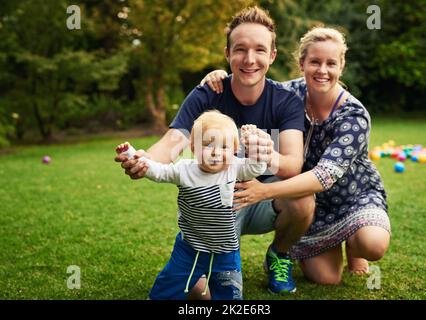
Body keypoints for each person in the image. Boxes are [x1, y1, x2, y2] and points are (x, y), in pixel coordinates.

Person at [115, 6, 310, 295]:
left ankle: (279, 255)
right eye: (240, 49)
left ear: (272, 55)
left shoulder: (286, 101)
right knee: (198, 292)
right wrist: (144, 160)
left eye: (259, 49)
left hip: (261, 197)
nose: (249, 59)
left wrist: (265, 154)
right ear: (228, 53)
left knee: (303, 198)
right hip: (214, 206)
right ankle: (202, 262)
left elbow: (293, 164)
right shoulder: (207, 94)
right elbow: (173, 143)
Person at [202, 26, 391, 285]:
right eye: (314, 62)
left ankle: (355, 246)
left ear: (341, 66)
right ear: (302, 63)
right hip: (309, 200)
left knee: (372, 244)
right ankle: (303, 244)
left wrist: (264, 192)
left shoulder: (354, 116)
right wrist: (220, 76)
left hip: (353, 196)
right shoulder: (287, 94)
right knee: (327, 279)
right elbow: (251, 81)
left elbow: (325, 176)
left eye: (330, 63)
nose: (322, 71)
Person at [116, 111, 268, 300]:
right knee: (167, 287)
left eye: (224, 147)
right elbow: (158, 171)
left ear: (235, 149)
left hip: (226, 250)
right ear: (194, 148)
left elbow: (256, 167)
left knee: (229, 295)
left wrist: (256, 147)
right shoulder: (184, 169)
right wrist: (133, 155)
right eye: (207, 144)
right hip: (189, 248)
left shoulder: (235, 167)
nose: (215, 152)